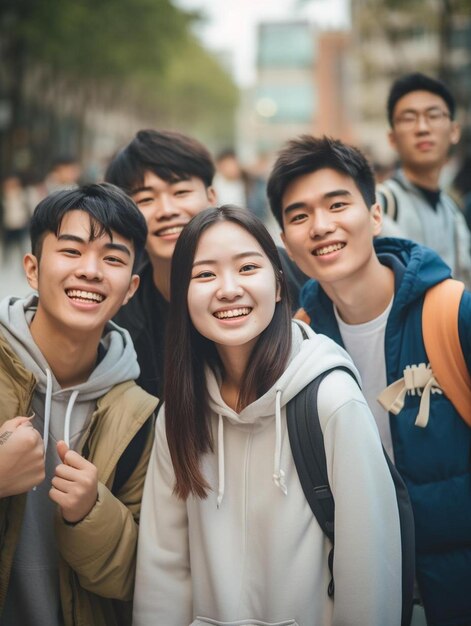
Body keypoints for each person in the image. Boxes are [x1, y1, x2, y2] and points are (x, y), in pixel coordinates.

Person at [133, 205, 402, 626]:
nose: (227, 289)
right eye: (204, 275)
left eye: (247, 268)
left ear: (278, 286)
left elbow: (369, 573)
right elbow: (163, 567)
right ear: (183, 296)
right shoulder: (180, 412)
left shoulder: (330, 399)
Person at [267, 135, 471, 626]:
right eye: (299, 216)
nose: (321, 226)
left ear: (375, 216)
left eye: (337, 204)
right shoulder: (297, 344)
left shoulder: (453, 313)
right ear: (287, 244)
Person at [0, 183, 158, 626]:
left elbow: (138, 577)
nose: (91, 271)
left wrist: (91, 511)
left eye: (112, 259)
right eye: (71, 251)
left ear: (130, 288)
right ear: (32, 268)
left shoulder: (140, 415)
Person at [104, 129, 217, 397]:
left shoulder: (278, 275)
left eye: (180, 192)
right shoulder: (117, 321)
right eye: (145, 199)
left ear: (211, 197)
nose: (166, 210)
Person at [377, 72, 471, 288]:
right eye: (409, 118)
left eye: (434, 115)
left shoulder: (453, 210)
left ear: (454, 131)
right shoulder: (380, 205)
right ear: (392, 138)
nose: (422, 128)